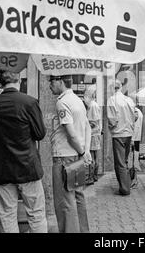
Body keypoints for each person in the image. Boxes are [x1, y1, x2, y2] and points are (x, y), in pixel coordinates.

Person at [0, 70, 47, 233]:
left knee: (7, 214)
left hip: (2, 167)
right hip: (28, 166)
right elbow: (40, 134)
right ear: (19, 80)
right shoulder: (29, 102)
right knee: (36, 214)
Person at [49, 75, 92, 233]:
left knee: (65, 201)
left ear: (60, 81)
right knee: (78, 195)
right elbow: (87, 127)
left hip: (64, 156)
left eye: (52, 81)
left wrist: (83, 151)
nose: (49, 85)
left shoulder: (62, 102)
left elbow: (71, 134)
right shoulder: (78, 100)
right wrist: (85, 151)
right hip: (77, 156)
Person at [107, 79, 136, 196]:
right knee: (124, 160)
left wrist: (111, 127)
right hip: (128, 133)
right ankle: (126, 184)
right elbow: (135, 116)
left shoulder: (112, 100)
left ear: (113, 88)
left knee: (120, 163)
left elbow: (112, 120)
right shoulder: (129, 100)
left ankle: (124, 188)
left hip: (118, 134)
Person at [83, 86, 102, 185]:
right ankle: (94, 176)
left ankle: (91, 177)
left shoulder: (92, 105)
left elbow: (93, 122)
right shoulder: (94, 105)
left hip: (93, 134)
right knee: (95, 157)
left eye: (85, 94)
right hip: (96, 133)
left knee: (92, 157)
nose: (84, 97)